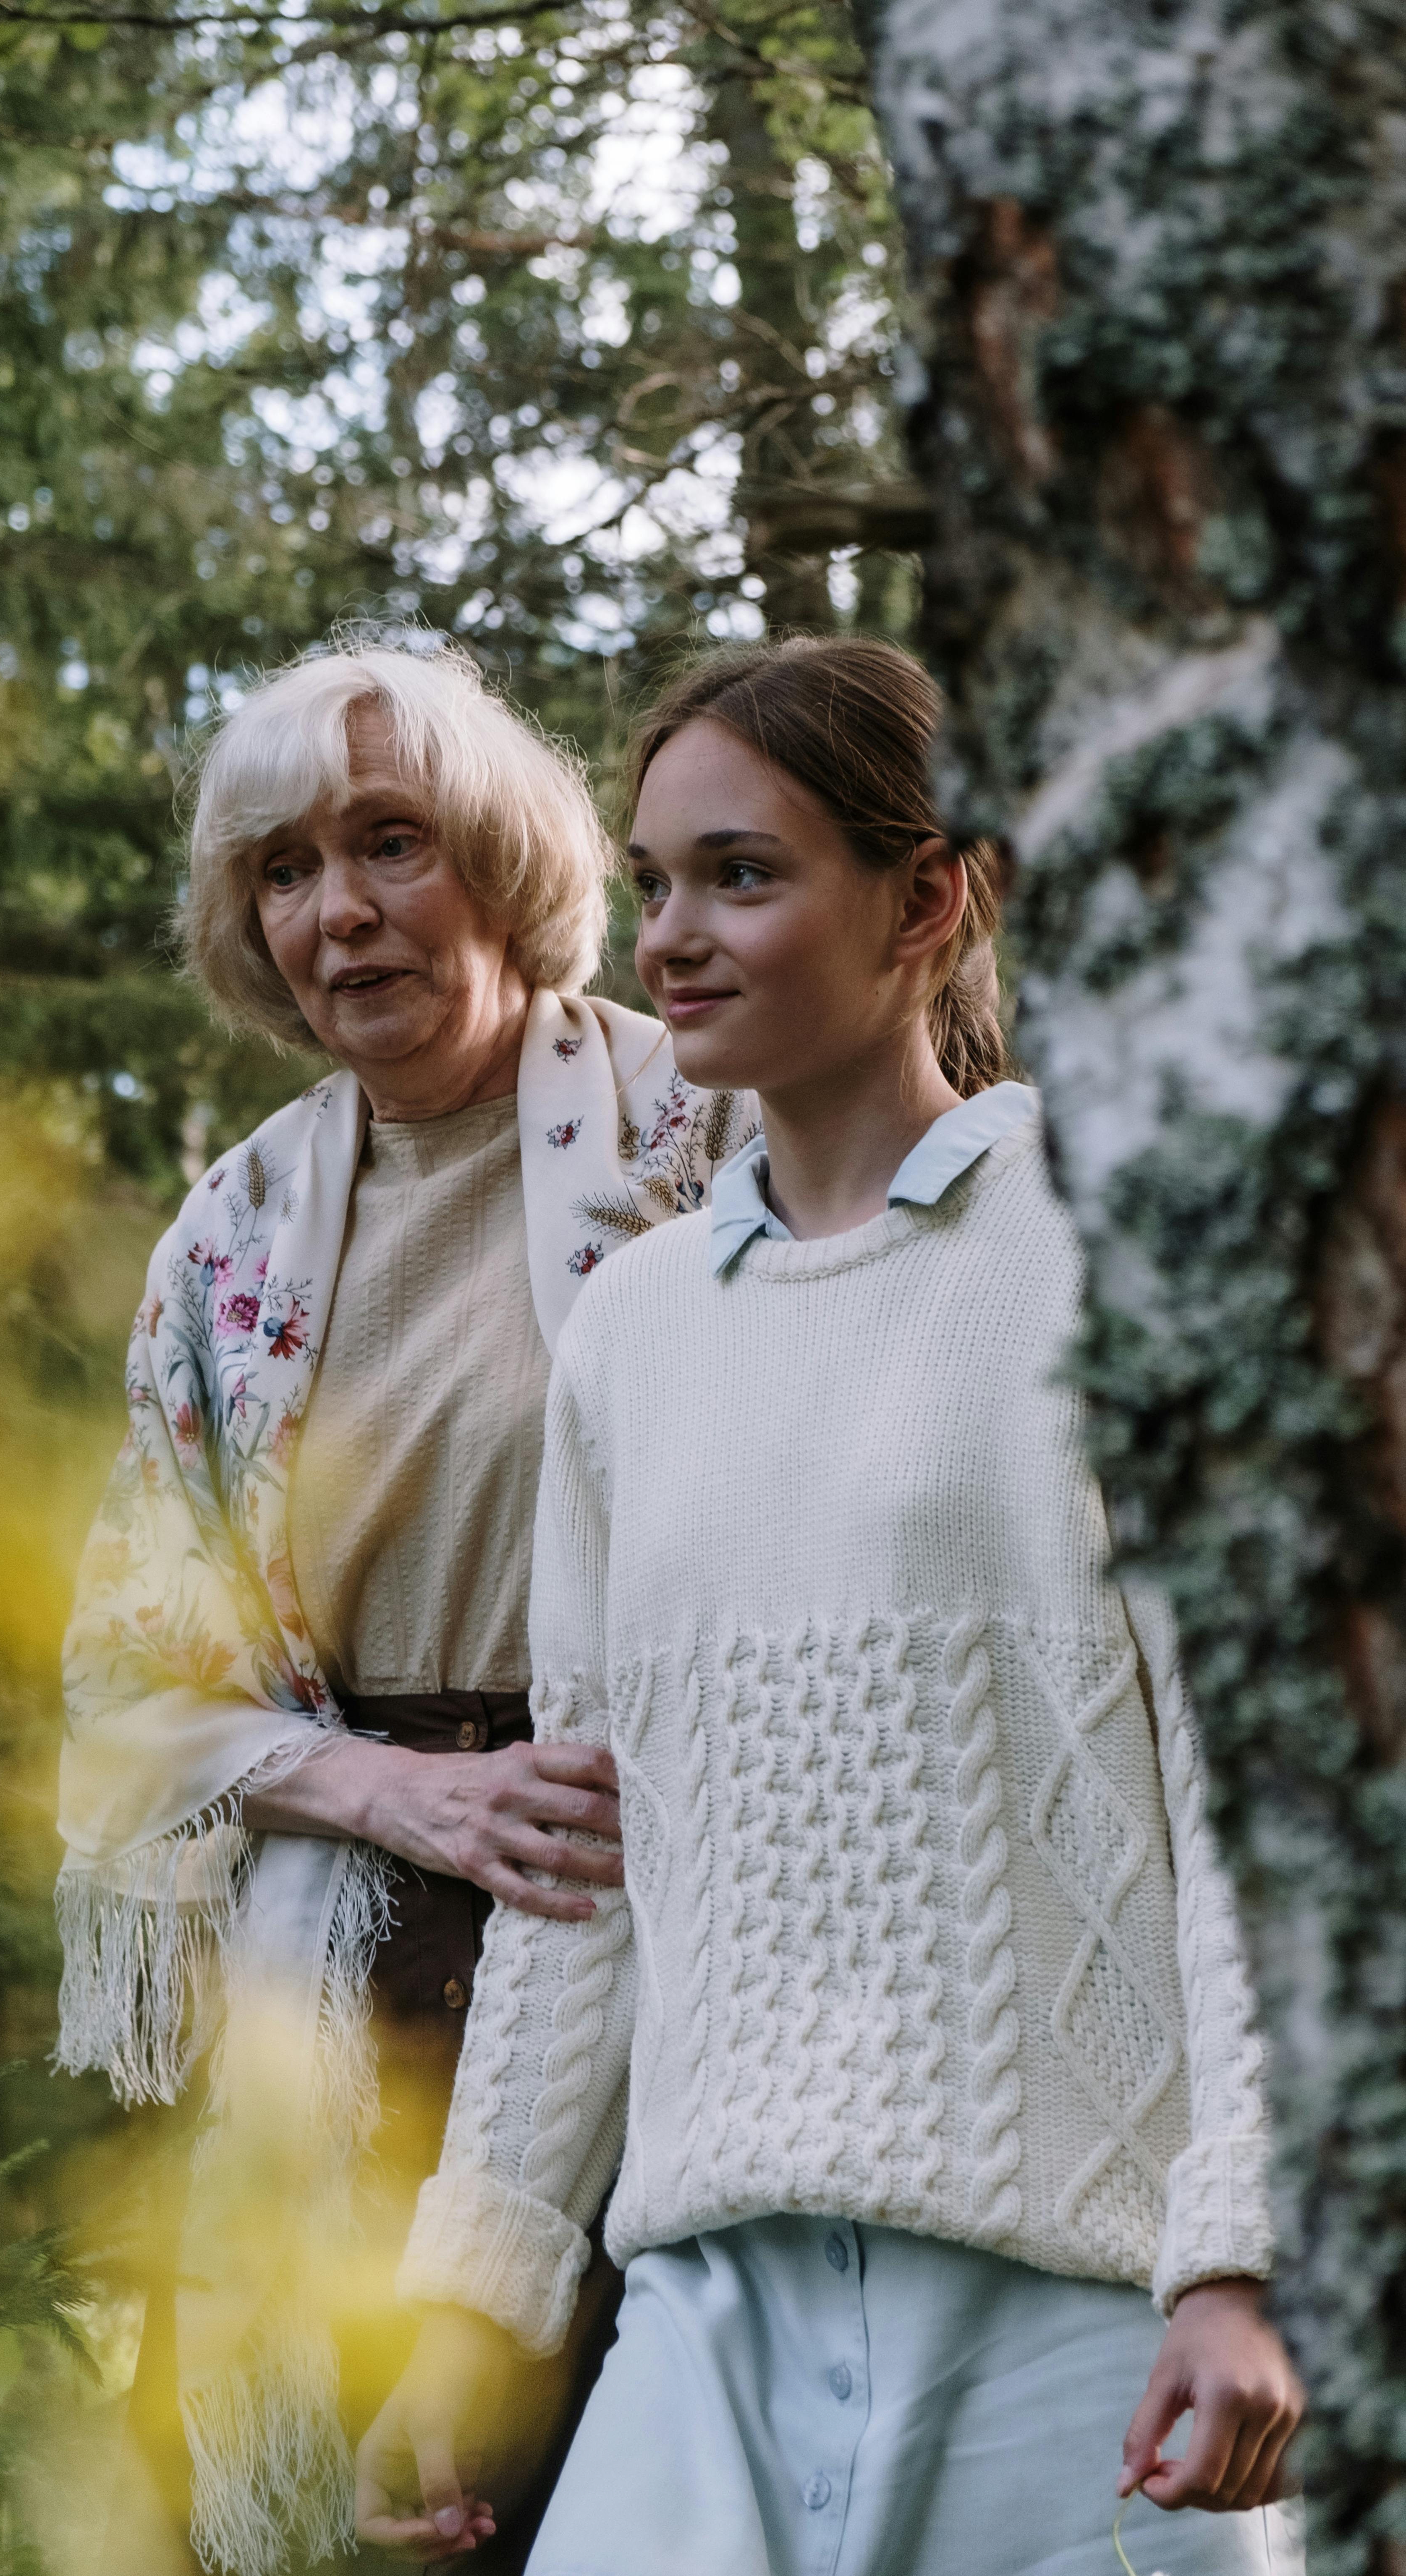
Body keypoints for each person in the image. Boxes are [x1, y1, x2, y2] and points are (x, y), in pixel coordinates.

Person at [356, 636, 1306, 2576]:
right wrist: (480, 2288)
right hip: (705, 2312)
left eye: (746, 873)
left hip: (1077, 2326)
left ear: (928, 896)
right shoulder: (626, 1333)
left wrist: (1248, 2253)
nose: (676, 935)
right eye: (657, 881)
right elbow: (581, 1854)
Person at [53, 637, 755, 2575]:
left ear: (505, 862)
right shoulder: (230, 1228)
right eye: (283, 868)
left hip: (661, 1934)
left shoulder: (702, 1127)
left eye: (389, 843)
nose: (335, 908)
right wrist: (403, 1794)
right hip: (346, 1978)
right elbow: (135, 1673)